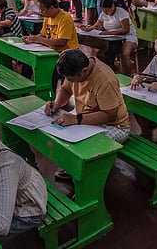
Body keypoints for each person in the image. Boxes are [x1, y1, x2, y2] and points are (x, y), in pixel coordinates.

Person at [45, 49, 130, 179]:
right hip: (86, 116)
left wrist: (77, 119)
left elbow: (110, 115)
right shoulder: (75, 68)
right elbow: (65, 90)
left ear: (85, 71)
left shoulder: (105, 79)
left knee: (86, 146)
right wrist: (56, 104)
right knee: (60, 132)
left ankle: (88, 183)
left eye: (72, 79)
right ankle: (75, 169)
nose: (70, 82)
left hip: (113, 125)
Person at [22, 0, 78, 90]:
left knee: (50, 71)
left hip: (66, 53)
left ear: (51, 8)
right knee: (27, 64)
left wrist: (39, 39)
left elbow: (61, 42)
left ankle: (51, 95)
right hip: (51, 51)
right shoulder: (48, 17)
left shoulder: (65, 18)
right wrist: (32, 38)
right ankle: (24, 90)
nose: (41, 12)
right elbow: (43, 34)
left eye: (43, 10)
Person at [80, 0, 137, 76]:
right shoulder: (103, 13)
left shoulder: (121, 12)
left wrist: (109, 32)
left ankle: (126, 76)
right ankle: (107, 73)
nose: (106, 13)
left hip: (128, 37)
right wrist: (88, 29)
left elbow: (125, 29)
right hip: (112, 38)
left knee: (125, 53)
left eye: (108, 11)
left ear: (113, 6)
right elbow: (97, 26)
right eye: (104, 11)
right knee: (102, 54)